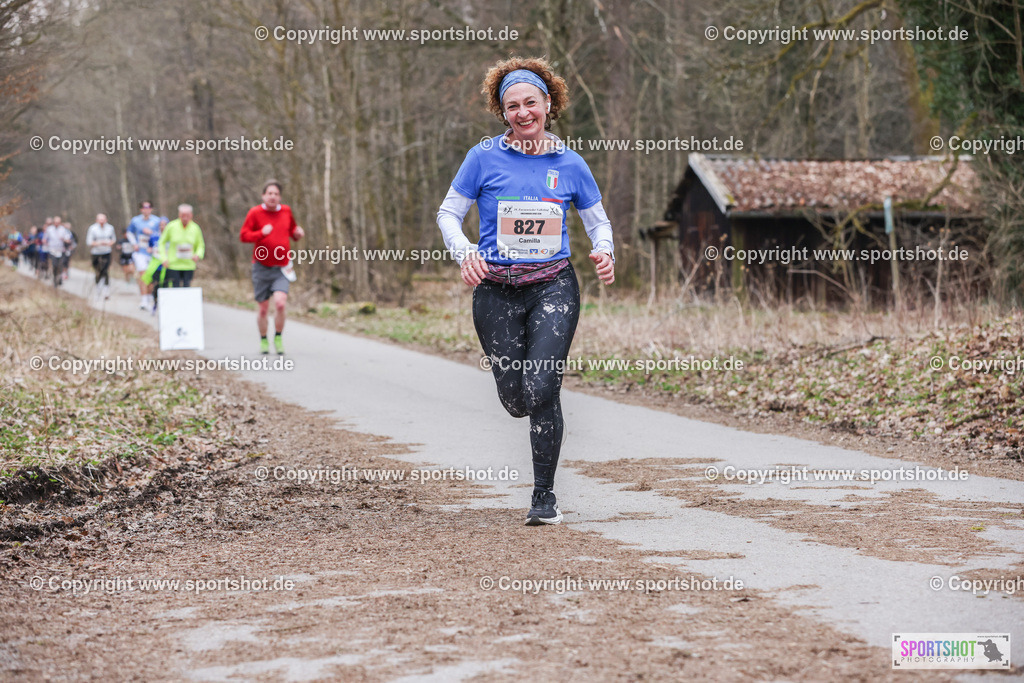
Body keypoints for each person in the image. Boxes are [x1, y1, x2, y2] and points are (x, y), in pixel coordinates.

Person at [436, 57, 615, 526]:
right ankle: (539, 474)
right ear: (503, 113)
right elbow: (448, 214)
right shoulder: (482, 157)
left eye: (529, 103)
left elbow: (598, 221)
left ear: (548, 104)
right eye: (511, 106)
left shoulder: (570, 163)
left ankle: (544, 497)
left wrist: (604, 250)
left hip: (553, 285)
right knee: (516, 401)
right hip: (495, 289)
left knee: (542, 387)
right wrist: (465, 251)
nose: (521, 113)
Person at [239, 180, 305, 355]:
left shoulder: (286, 211)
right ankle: (263, 340)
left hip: (282, 268)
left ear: (280, 197)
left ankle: (277, 336)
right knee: (263, 308)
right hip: (261, 267)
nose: (273, 197)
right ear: (263, 196)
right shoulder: (255, 213)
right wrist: (261, 233)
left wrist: (297, 234)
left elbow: (292, 231)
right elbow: (243, 236)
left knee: (281, 304)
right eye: (270, 193)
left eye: (276, 194)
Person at [157, 204, 204, 288]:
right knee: (175, 288)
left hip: (189, 265)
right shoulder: (171, 226)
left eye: (187, 215)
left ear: (191, 215)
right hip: (173, 264)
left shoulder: (195, 228)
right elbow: (161, 243)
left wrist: (198, 255)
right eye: (183, 215)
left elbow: (200, 245)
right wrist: (163, 258)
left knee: (187, 288)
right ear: (179, 215)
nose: (185, 218)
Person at [127, 201, 161, 309]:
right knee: (143, 274)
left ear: (151, 209)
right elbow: (129, 232)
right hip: (140, 252)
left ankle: (150, 297)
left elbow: (162, 235)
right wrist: (134, 244)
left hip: (153, 253)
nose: (146, 209)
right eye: (144, 207)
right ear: (141, 209)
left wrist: (152, 233)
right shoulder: (135, 221)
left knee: (150, 276)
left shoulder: (157, 221)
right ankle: (144, 300)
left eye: (149, 207)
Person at [85, 213, 116, 299]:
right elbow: (89, 242)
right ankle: (98, 290)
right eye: (100, 220)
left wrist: (110, 243)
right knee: (98, 271)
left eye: (103, 220)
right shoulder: (92, 228)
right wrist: (99, 243)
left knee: (105, 271)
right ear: (97, 220)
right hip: (96, 253)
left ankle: (106, 291)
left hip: (106, 252)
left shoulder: (110, 228)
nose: (102, 222)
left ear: (106, 220)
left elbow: (113, 239)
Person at [43, 218, 73, 287]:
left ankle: (59, 277)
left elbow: (68, 240)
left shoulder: (63, 230)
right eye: (55, 222)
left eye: (58, 222)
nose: (56, 223)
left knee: (60, 265)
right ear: (54, 222)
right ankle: (55, 278)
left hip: (61, 250)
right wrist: (45, 242)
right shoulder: (49, 229)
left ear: (60, 222)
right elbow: (44, 239)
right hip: (52, 250)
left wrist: (64, 240)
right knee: (54, 265)